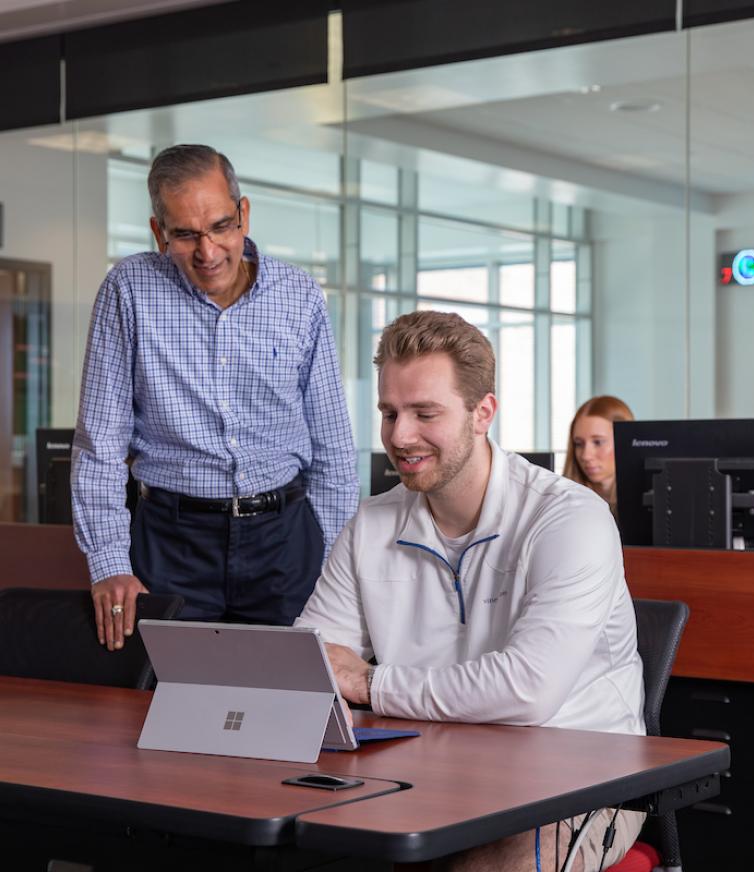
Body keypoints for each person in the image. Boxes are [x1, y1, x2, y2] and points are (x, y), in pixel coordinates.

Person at [296, 311, 645, 872]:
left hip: (584, 781)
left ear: (483, 413)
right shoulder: (372, 523)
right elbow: (308, 664)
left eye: (424, 413)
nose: (399, 436)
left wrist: (369, 683)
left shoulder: (570, 518)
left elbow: (527, 690)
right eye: (389, 413)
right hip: (428, 771)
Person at [72, 144, 358, 651]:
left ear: (244, 214)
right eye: (185, 234)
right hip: (171, 543)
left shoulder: (299, 295)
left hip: (284, 543)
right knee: (169, 710)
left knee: (296, 706)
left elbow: (332, 447)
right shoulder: (128, 290)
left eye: (222, 226)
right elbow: (100, 444)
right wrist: (110, 563)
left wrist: (338, 567)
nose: (208, 252)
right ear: (159, 233)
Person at [563, 395, 635, 519]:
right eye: (579, 444)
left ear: (625, 441)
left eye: (598, 442)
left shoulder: (652, 505)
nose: (586, 456)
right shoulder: (563, 503)